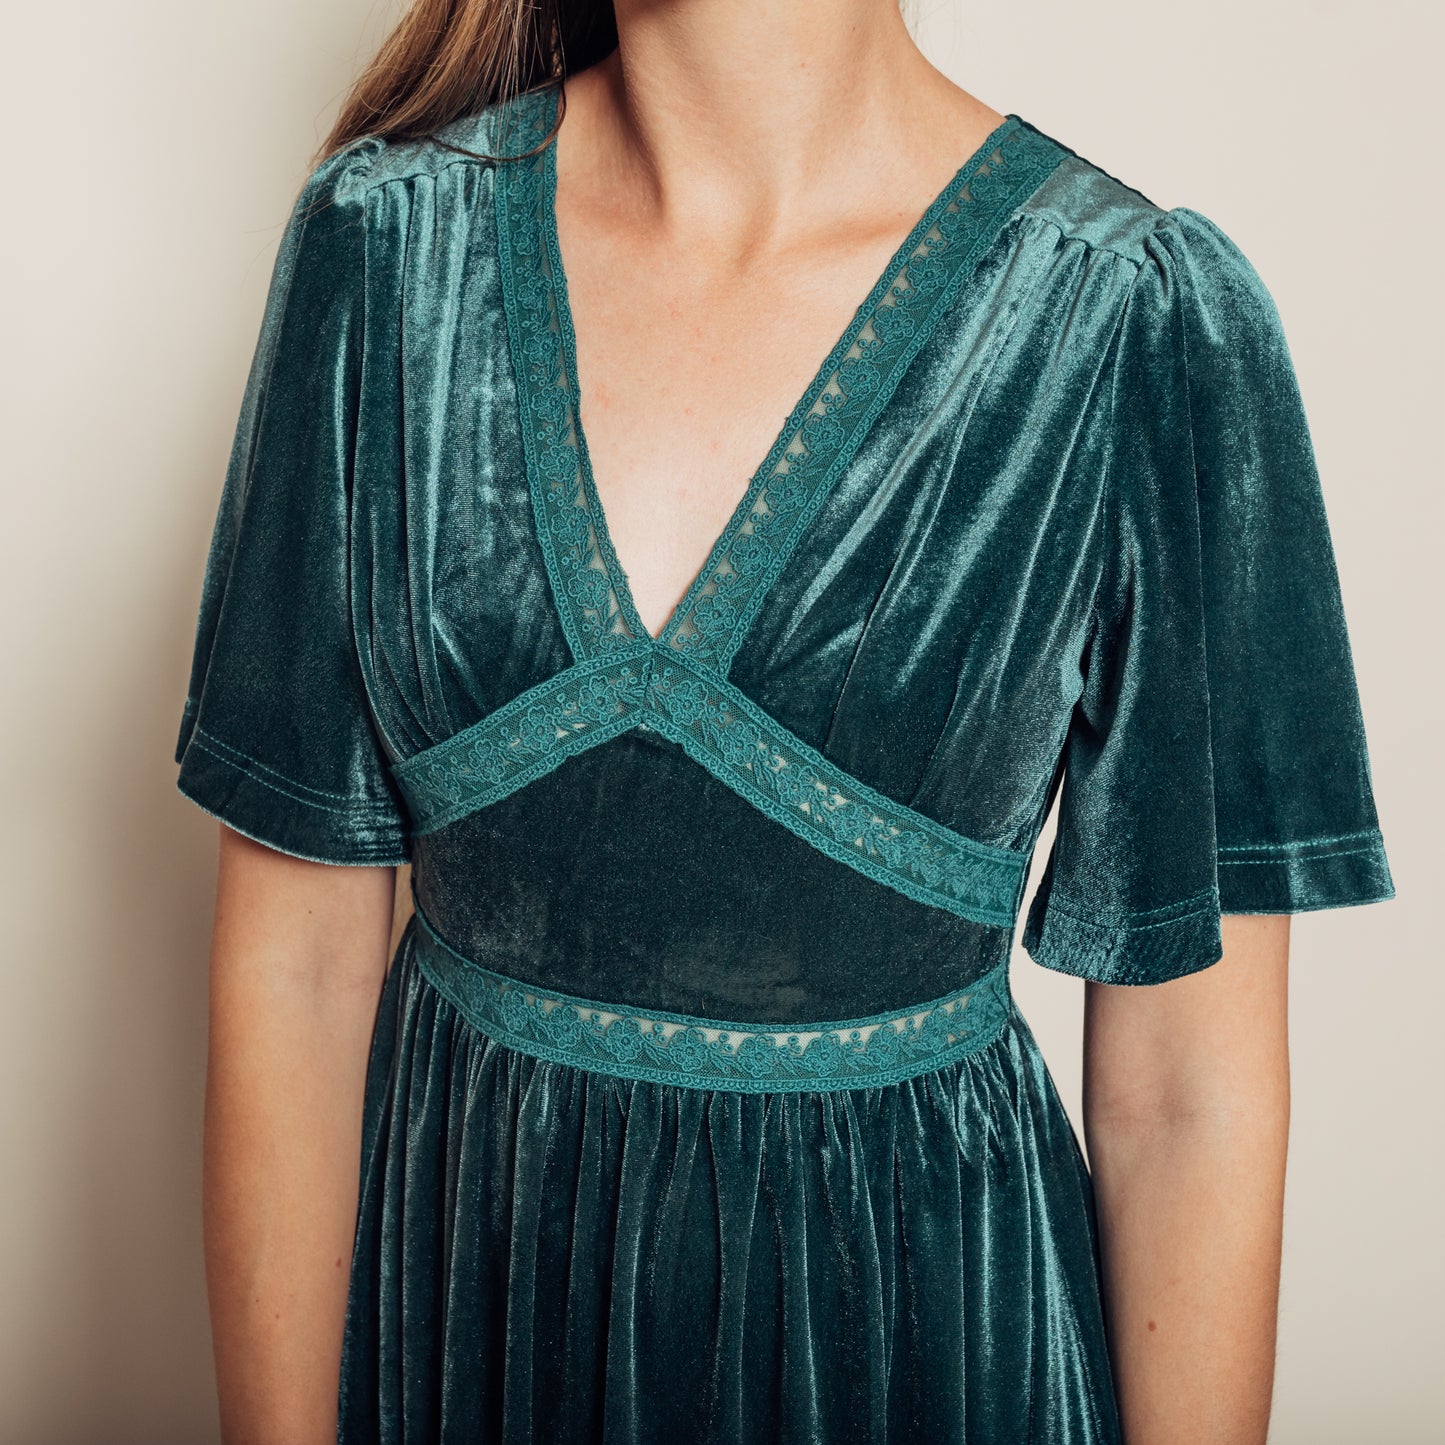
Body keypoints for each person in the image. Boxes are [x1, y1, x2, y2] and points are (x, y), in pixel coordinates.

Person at [173, 2, 1395, 1441]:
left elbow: (1188, 1095)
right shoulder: (382, 253)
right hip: (471, 1345)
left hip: (930, 1361)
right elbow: (299, 971)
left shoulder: (1137, 322)